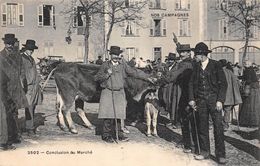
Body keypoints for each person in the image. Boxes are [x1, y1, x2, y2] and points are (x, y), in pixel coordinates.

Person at [94, 46, 153, 143]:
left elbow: (134, 72)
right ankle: (106, 135)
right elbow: (97, 78)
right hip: (108, 92)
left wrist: (147, 77)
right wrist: (107, 74)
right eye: (114, 55)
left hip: (119, 92)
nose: (116, 57)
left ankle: (119, 134)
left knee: (118, 114)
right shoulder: (105, 65)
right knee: (108, 115)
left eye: (117, 55)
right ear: (111, 55)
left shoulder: (123, 65)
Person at [188, 42, 227, 164]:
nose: (194, 56)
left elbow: (223, 84)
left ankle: (220, 155)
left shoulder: (216, 65)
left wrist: (220, 100)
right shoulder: (195, 67)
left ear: (202, 55)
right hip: (201, 101)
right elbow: (191, 84)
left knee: (218, 128)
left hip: (214, 101)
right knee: (202, 127)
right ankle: (205, 152)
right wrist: (191, 99)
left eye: (196, 54)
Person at [0, 34, 28, 150]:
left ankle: (13, 136)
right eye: (8, 43)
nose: (10, 45)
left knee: (14, 114)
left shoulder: (18, 56)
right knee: (4, 115)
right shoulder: (0, 56)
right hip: (4, 90)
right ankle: (4, 141)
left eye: (12, 43)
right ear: (4, 44)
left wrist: (22, 84)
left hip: (15, 90)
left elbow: (21, 72)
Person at [175, 44, 198, 153]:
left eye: (184, 52)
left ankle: (188, 144)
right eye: (180, 52)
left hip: (187, 95)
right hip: (193, 94)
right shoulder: (194, 63)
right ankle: (191, 143)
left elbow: (173, 76)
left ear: (189, 53)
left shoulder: (185, 64)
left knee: (186, 119)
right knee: (191, 120)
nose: (181, 54)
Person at [20, 40, 43, 135]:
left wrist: (39, 80)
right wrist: (23, 86)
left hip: (34, 87)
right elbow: (21, 74)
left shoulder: (31, 59)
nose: (31, 51)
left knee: (33, 107)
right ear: (25, 48)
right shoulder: (21, 58)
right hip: (27, 87)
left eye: (32, 49)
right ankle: (29, 128)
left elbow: (34, 72)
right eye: (30, 49)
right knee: (29, 107)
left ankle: (29, 125)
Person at [219, 59, 242, 131]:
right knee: (227, 110)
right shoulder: (230, 72)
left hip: (220, 95)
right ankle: (225, 125)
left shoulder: (218, 72)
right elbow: (237, 82)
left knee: (218, 110)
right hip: (229, 96)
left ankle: (219, 124)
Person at [161, 53, 181, 128]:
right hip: (166, 87)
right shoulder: (166, 67)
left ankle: (175, 121)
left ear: (174, 61)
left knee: (174, 104)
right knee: (167, 102)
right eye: (169, 59)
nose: (170, 61)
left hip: (173, 87)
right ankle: (171, 119)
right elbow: (163, 75)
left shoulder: (177, 67)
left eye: (171, 60)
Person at [239, 60, 260, 127]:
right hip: (255, 89)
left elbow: (248, 80)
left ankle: (248, 122)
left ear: (249, 64)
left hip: (251, 89)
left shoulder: (248, 70)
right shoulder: (251, 69)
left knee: (249, 105)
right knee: (254, 105)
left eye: (246, 64)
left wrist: (243, 82)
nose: (245, 65)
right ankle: (254, 122)